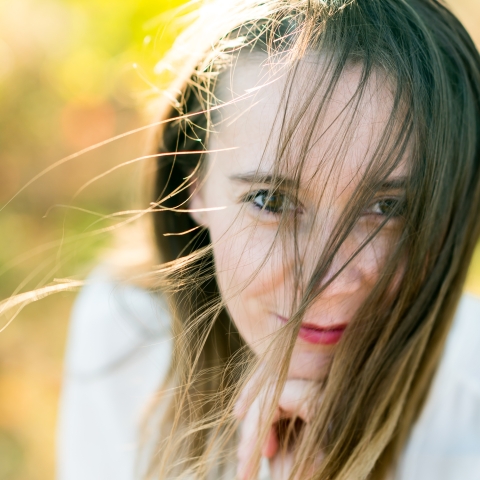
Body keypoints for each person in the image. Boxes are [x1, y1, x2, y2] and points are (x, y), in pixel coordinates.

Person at [57, 0, 480, 479]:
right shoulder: (126, 332)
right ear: (195, 179)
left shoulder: (470, 405)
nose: (328, 282)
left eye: (388, 208)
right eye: (272, 201)